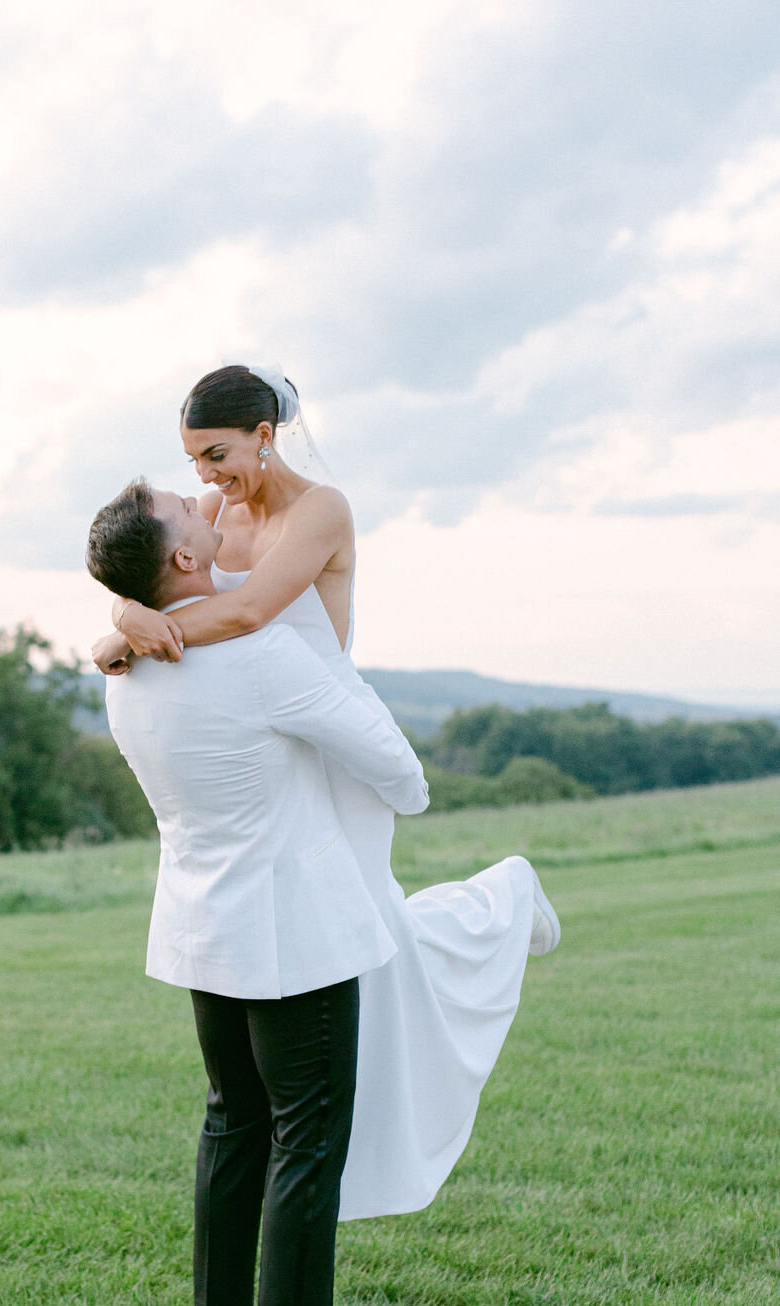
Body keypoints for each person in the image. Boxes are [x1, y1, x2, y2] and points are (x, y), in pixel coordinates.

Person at [91, 365, 561, 1224]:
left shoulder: (323, 510)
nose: (206, 478)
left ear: (265, 434)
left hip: (324, 731)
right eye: (193, 461)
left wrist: (127, 630)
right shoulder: (219, 516)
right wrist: (125, 613)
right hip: (270, 747)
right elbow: (170, 575)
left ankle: (505, 900)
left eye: (218, 454)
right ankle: (502, 903)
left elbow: (242, 617)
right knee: (382, 951)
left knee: (372, 944)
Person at [86, 479, 431, 1306]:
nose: (207, 502)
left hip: (205, 927)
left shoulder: (125, 668)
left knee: (234, 1123)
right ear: (187, 562)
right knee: (306, 1141)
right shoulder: (260, 654)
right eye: (188, 511)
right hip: (297, 930)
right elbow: (399, 770)